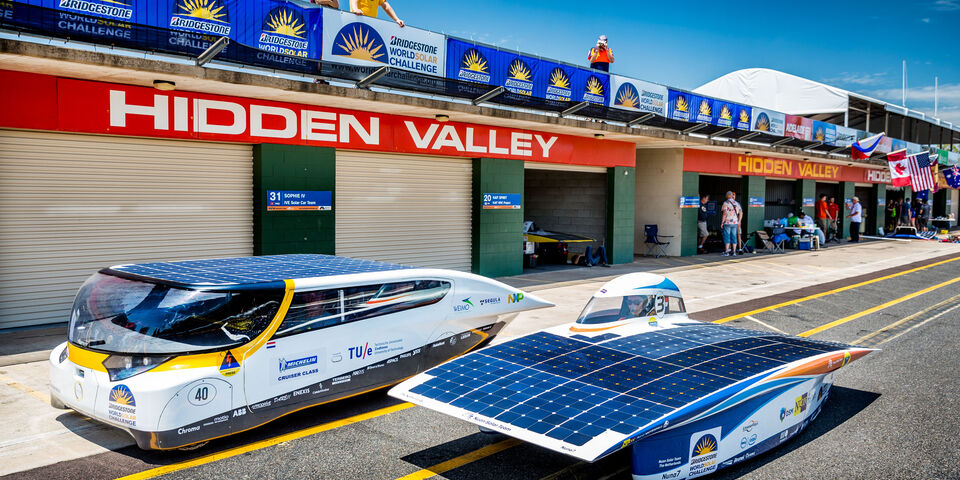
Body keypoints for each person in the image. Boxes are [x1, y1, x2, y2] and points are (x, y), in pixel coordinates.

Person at [720, 191, 742, 257]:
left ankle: (727, 252)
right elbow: (740, 212)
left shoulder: (725, 203)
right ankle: (734, 252)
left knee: (727, 236)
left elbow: (724, 214)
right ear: (732, 196)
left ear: (727, 196)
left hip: (727, 222)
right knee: (734, 236)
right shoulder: (737, 203)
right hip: (735, 222)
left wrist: (722, 222)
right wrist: (739, 221)